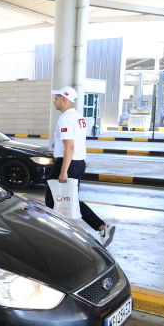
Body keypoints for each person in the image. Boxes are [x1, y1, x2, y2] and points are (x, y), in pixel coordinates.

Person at [46, 86, 115, 246]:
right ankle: (101, 228)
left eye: (56, 99)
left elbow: (69, 146)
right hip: (78, 163)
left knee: (53, 200)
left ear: (64, 99)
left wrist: (63, 170)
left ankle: (58, 235)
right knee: (68, 200)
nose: (54, 102)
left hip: (67, 164)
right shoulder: (78, 117)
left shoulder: (65, 119)